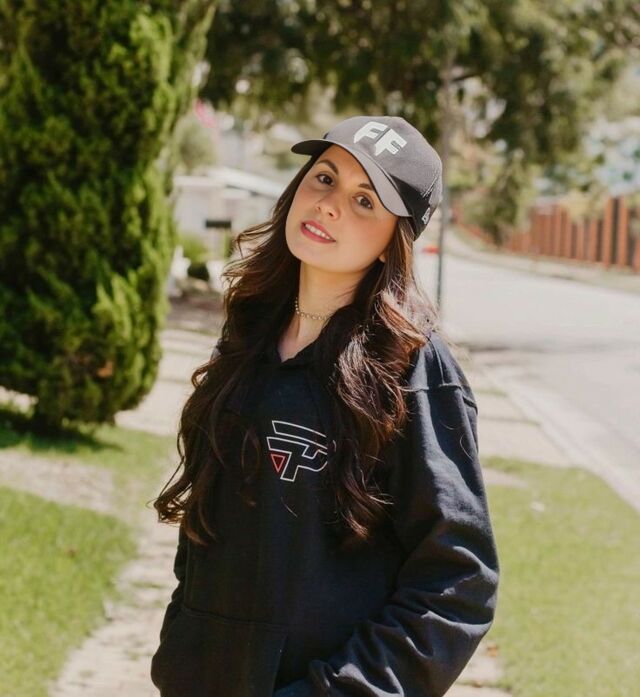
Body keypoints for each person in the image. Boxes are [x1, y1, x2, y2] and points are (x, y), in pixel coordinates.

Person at [150, 115, 500, 697]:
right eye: (325, 177)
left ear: (394, 241)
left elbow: (457, 582)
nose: (330, 205)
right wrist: (182, 648)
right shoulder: (249, 335)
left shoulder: (412, 370)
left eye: (365, 200)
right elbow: (209, 525)